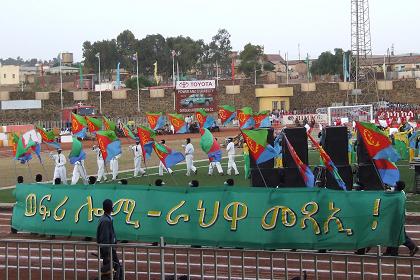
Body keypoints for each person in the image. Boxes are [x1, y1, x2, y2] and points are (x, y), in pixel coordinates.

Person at [384, 181, 419, 256]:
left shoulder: (398, 196)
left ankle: (411, 247)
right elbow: (390, 191)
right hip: (396, 217)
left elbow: (389, 195)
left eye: (396, 185)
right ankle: (390, 250)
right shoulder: (399, 193)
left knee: (399, 234)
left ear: (398, 187)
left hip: (397, 218)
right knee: (393, 233)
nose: (394, 186)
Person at [97, 199, 122, 279]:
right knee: (117, 269)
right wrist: (106, 252)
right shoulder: (106, 221)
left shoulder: (105, 219)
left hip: (109, 248)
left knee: (110, 270)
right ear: (111, 208)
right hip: (109, 249)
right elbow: (105, 238)